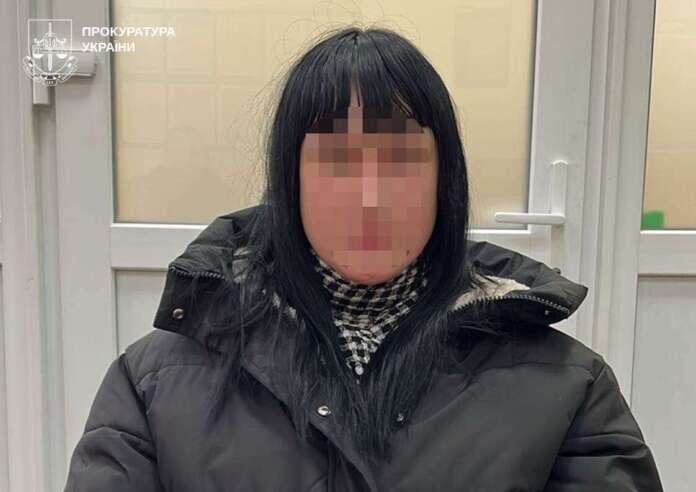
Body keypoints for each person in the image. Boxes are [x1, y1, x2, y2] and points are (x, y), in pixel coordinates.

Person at [64, 26, 664, 491]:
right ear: (290, 181)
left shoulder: (567, 388)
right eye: (336, 161)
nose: (370, 197)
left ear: (445, 180)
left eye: (402, 159)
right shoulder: (153, 383)